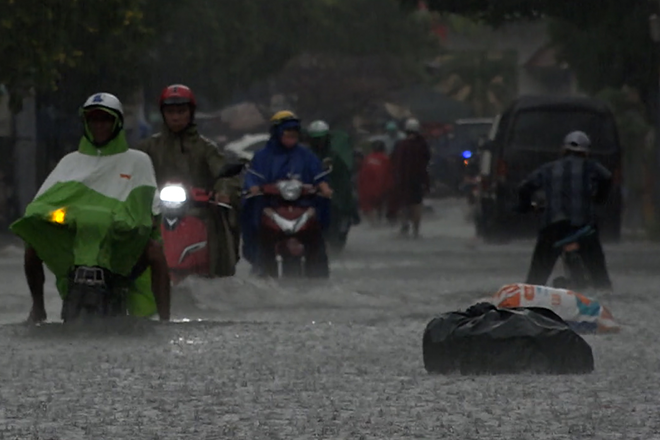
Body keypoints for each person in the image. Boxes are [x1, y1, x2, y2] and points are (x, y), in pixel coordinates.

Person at [11, 93, 170, 322]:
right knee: (32, 245)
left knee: (155, 252)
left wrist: (135, 221)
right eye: (93, 119)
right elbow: (44, 201)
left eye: (105, 119)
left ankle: (165, 318)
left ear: (117, 123)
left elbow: (149, 204)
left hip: (121, 240)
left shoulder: (137, 160)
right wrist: (45, 217)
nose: (99, 125)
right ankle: (38, 307)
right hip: (77, 237)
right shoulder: (70, 161)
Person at [136, 84, 241, 277]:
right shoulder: (148, 147)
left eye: (181, 111)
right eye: (170, 112)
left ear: (190, 113)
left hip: (199, 212)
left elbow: (225, 175)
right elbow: (131, 174)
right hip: (155, 213)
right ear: (163, 114)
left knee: (221, 224)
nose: (176, 117)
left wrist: (224, 192)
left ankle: (219, 272)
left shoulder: (206, 148)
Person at [518, 130, 613, 291]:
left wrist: (526, 206)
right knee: (601, 281)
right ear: (586, 152)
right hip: (584, 229)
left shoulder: (548, 169)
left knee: (535, 281)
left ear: (563, 150)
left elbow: (524, 187)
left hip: (552, 229)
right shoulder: (591, 167)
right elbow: (607, 177)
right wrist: (599, 198)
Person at [242, 111, 333, 277]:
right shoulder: (263, 156)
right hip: (271, 206)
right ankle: (262, 270)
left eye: (295, 133)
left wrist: (325, 188)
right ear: (277, 132)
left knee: (316, 237)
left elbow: (319, 176)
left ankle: (319, 277)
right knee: (258, 229)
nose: (292, 136)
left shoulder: (306, 155)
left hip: (303, 206)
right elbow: (253, 178)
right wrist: (254, 188)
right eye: (287, 132)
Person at [307, 120, 360, 249]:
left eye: (321, 139)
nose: (318, 142)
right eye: (316, 139)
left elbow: (343, 180)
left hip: (333, 195)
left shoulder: (334, 157)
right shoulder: (304, 155)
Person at [390, 118, 431, 238]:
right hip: (418, 179)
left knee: (404, 203)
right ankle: (416, 230)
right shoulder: (422, 144)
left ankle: (404, 226)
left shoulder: (401, 144)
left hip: (403, 179)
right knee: (416, 204)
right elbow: (427, 160)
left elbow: (394, 161)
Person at [358, 140, 392, 226]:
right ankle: (379, 222)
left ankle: (373, 224)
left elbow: (362, 174)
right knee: (380, 205)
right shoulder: (386, 159)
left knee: (368, 207)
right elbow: (389, 175)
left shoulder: (367, 158)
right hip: (380, 187)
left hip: (366, 188)